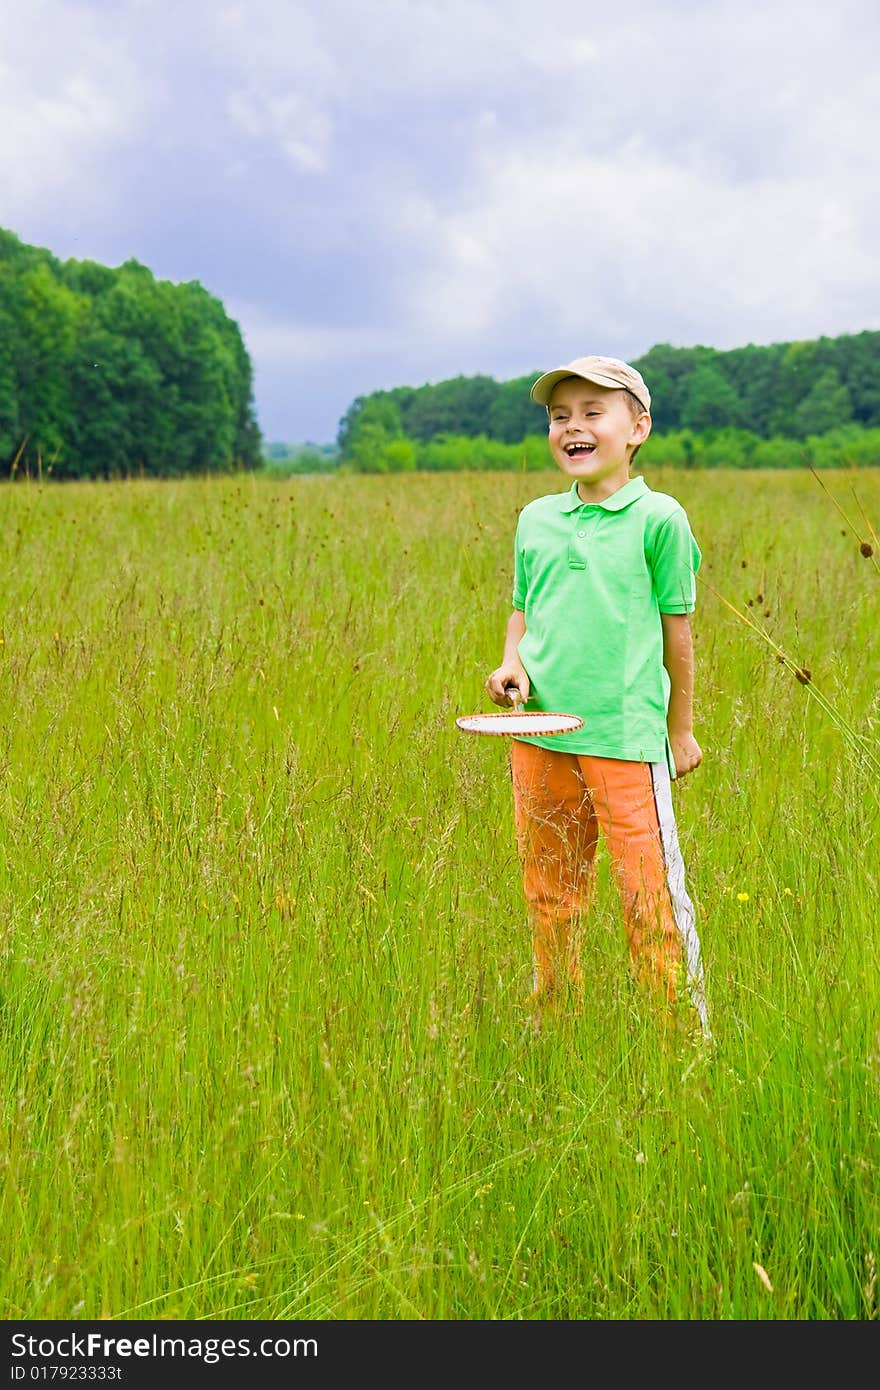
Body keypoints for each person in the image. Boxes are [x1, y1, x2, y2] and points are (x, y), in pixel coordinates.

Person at [485, 355, 710, 1038]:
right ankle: (555, 1022)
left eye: (591, 413)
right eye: (560, 417)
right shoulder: (536, 519)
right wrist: (509, 665)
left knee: (649, 900)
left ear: (637, 427)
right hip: (542, 733)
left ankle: (679, 1042)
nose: (572, 428)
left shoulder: (660, 519)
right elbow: (525, 610)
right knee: (549, 894)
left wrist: (681, 731)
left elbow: (679, 634)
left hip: (626, 739)